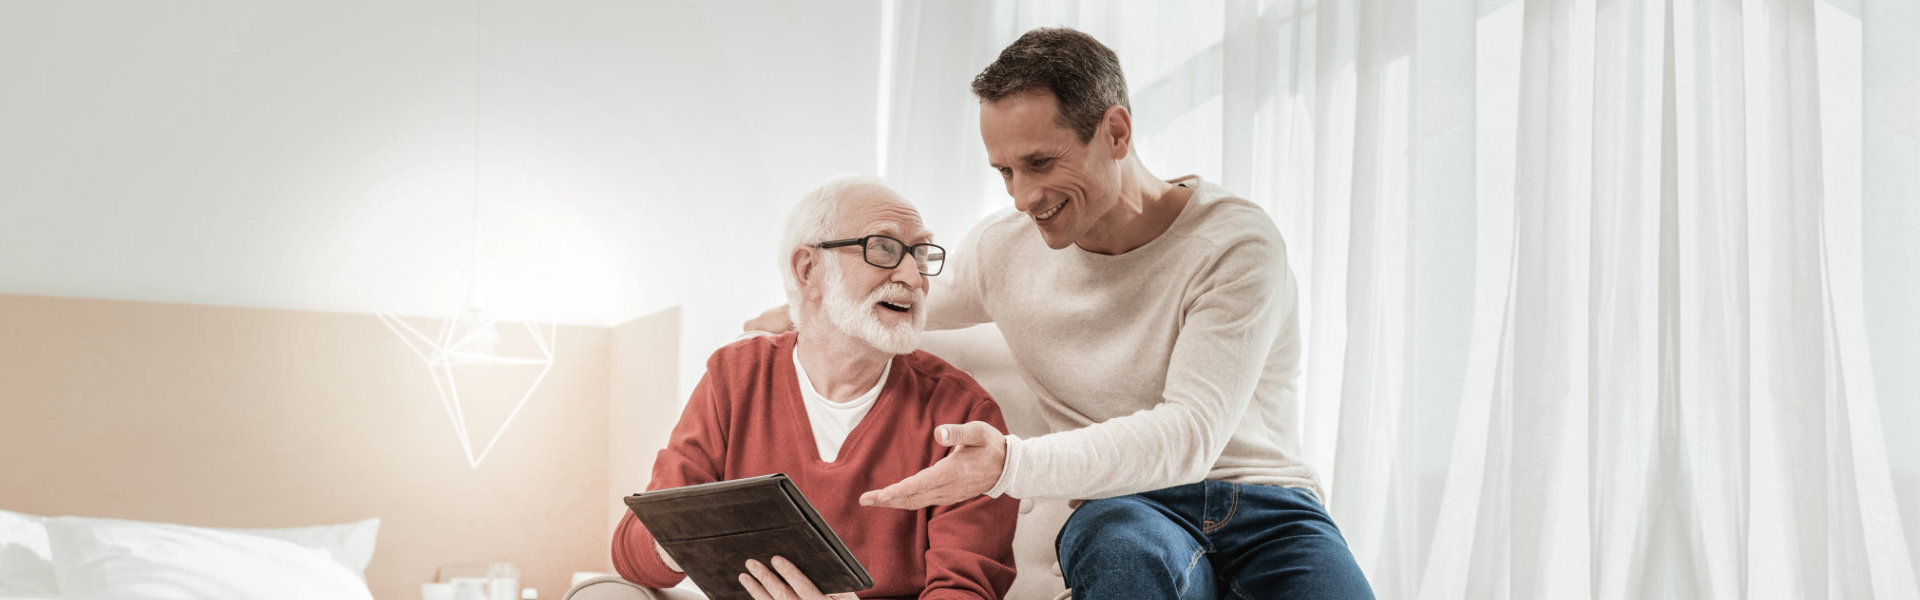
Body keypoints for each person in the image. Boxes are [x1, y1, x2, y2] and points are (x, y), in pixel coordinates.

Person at [749, 28, 1373, 599]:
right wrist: (804, 306)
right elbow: (902, 296)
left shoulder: (1233, 245)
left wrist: (1007, 465)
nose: (1022, 197)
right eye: (1005, 172)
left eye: (1041, 164)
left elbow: (1188, 436)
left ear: (1116, 132)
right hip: (1124, 507)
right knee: (1124, 553)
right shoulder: (1003, 251)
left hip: (1265, 506)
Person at [616, 176, 1018, 600]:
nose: (914, 277)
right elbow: (632, 553)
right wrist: (697, 529)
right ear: (809, 270)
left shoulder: (964, 413)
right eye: (883, 248)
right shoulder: (734, 377)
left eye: (920, 254)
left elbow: (966, 592)